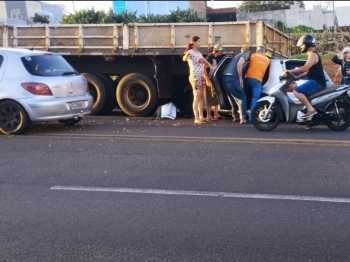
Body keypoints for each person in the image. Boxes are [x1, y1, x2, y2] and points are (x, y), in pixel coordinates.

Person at [285, 34, 326, 118]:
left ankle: (311, 110)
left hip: (316, 82)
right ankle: (310, 118)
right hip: (316, 81)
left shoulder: (313, 55)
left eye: (301, 45)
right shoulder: (312, 55)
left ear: (305, 44)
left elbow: (304, 68)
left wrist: (290, 71)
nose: (300, 47)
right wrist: (296, 77)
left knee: (297, 91)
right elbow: (307, 71)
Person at [183, 36, 216, 124]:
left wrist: (211, 67)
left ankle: (201, 116)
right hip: (195, 76)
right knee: (197, 96)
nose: (200, 43)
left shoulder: (198, 53)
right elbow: (184, 58)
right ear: (193, 42)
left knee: (201, 97)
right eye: (199, 42)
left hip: (201, 77)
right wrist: (186, 56)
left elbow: (205, 61)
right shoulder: (190, 52)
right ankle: (196, 118)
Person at [221, 45, 251, 124]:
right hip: (232, 77)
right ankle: (243, 117)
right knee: (242, 97)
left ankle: (235, 116)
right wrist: (240, 79)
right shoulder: (245, 55)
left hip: (225, 77)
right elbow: (239, 64)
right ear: (249, 51)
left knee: (232, 97)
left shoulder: (237, 56)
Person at [244, 45, 270, 122]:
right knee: (255, 99)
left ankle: (242, 115)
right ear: (264, 52)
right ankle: (251, 118)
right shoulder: (267, 60)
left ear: (257, 51)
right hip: (258, 80)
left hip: (247, 78)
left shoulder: (252, 56)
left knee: (243, 96)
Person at [203, 44, 224, 121]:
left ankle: (216, 114)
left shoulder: (216, 58)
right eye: (221, 51)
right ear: (218, 51)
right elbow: (204, 67)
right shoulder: (210, 57)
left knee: (215, 96)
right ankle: (208, 115)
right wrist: (207, 80)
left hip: (214, 79)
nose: (221, 53)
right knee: (209, 97)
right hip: (209, 79)